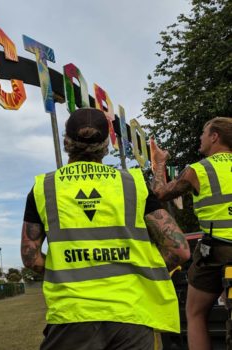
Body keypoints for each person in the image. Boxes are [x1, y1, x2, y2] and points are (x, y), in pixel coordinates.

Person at [21, 107, 190, 350]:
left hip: (72, 317)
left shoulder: (44, 188)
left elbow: (30, 257)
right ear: (106, 144)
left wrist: (68, 271)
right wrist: (139, 270)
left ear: (66, 141)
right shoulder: (133, 185)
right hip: (131, 315)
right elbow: (180, 250)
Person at [150, 116, 232, 350]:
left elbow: (160, 193)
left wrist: (159, 163)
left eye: (204, 133)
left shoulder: (198, 170)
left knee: (195, 313)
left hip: (217, 251)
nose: (200, 137)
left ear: (215, 137)